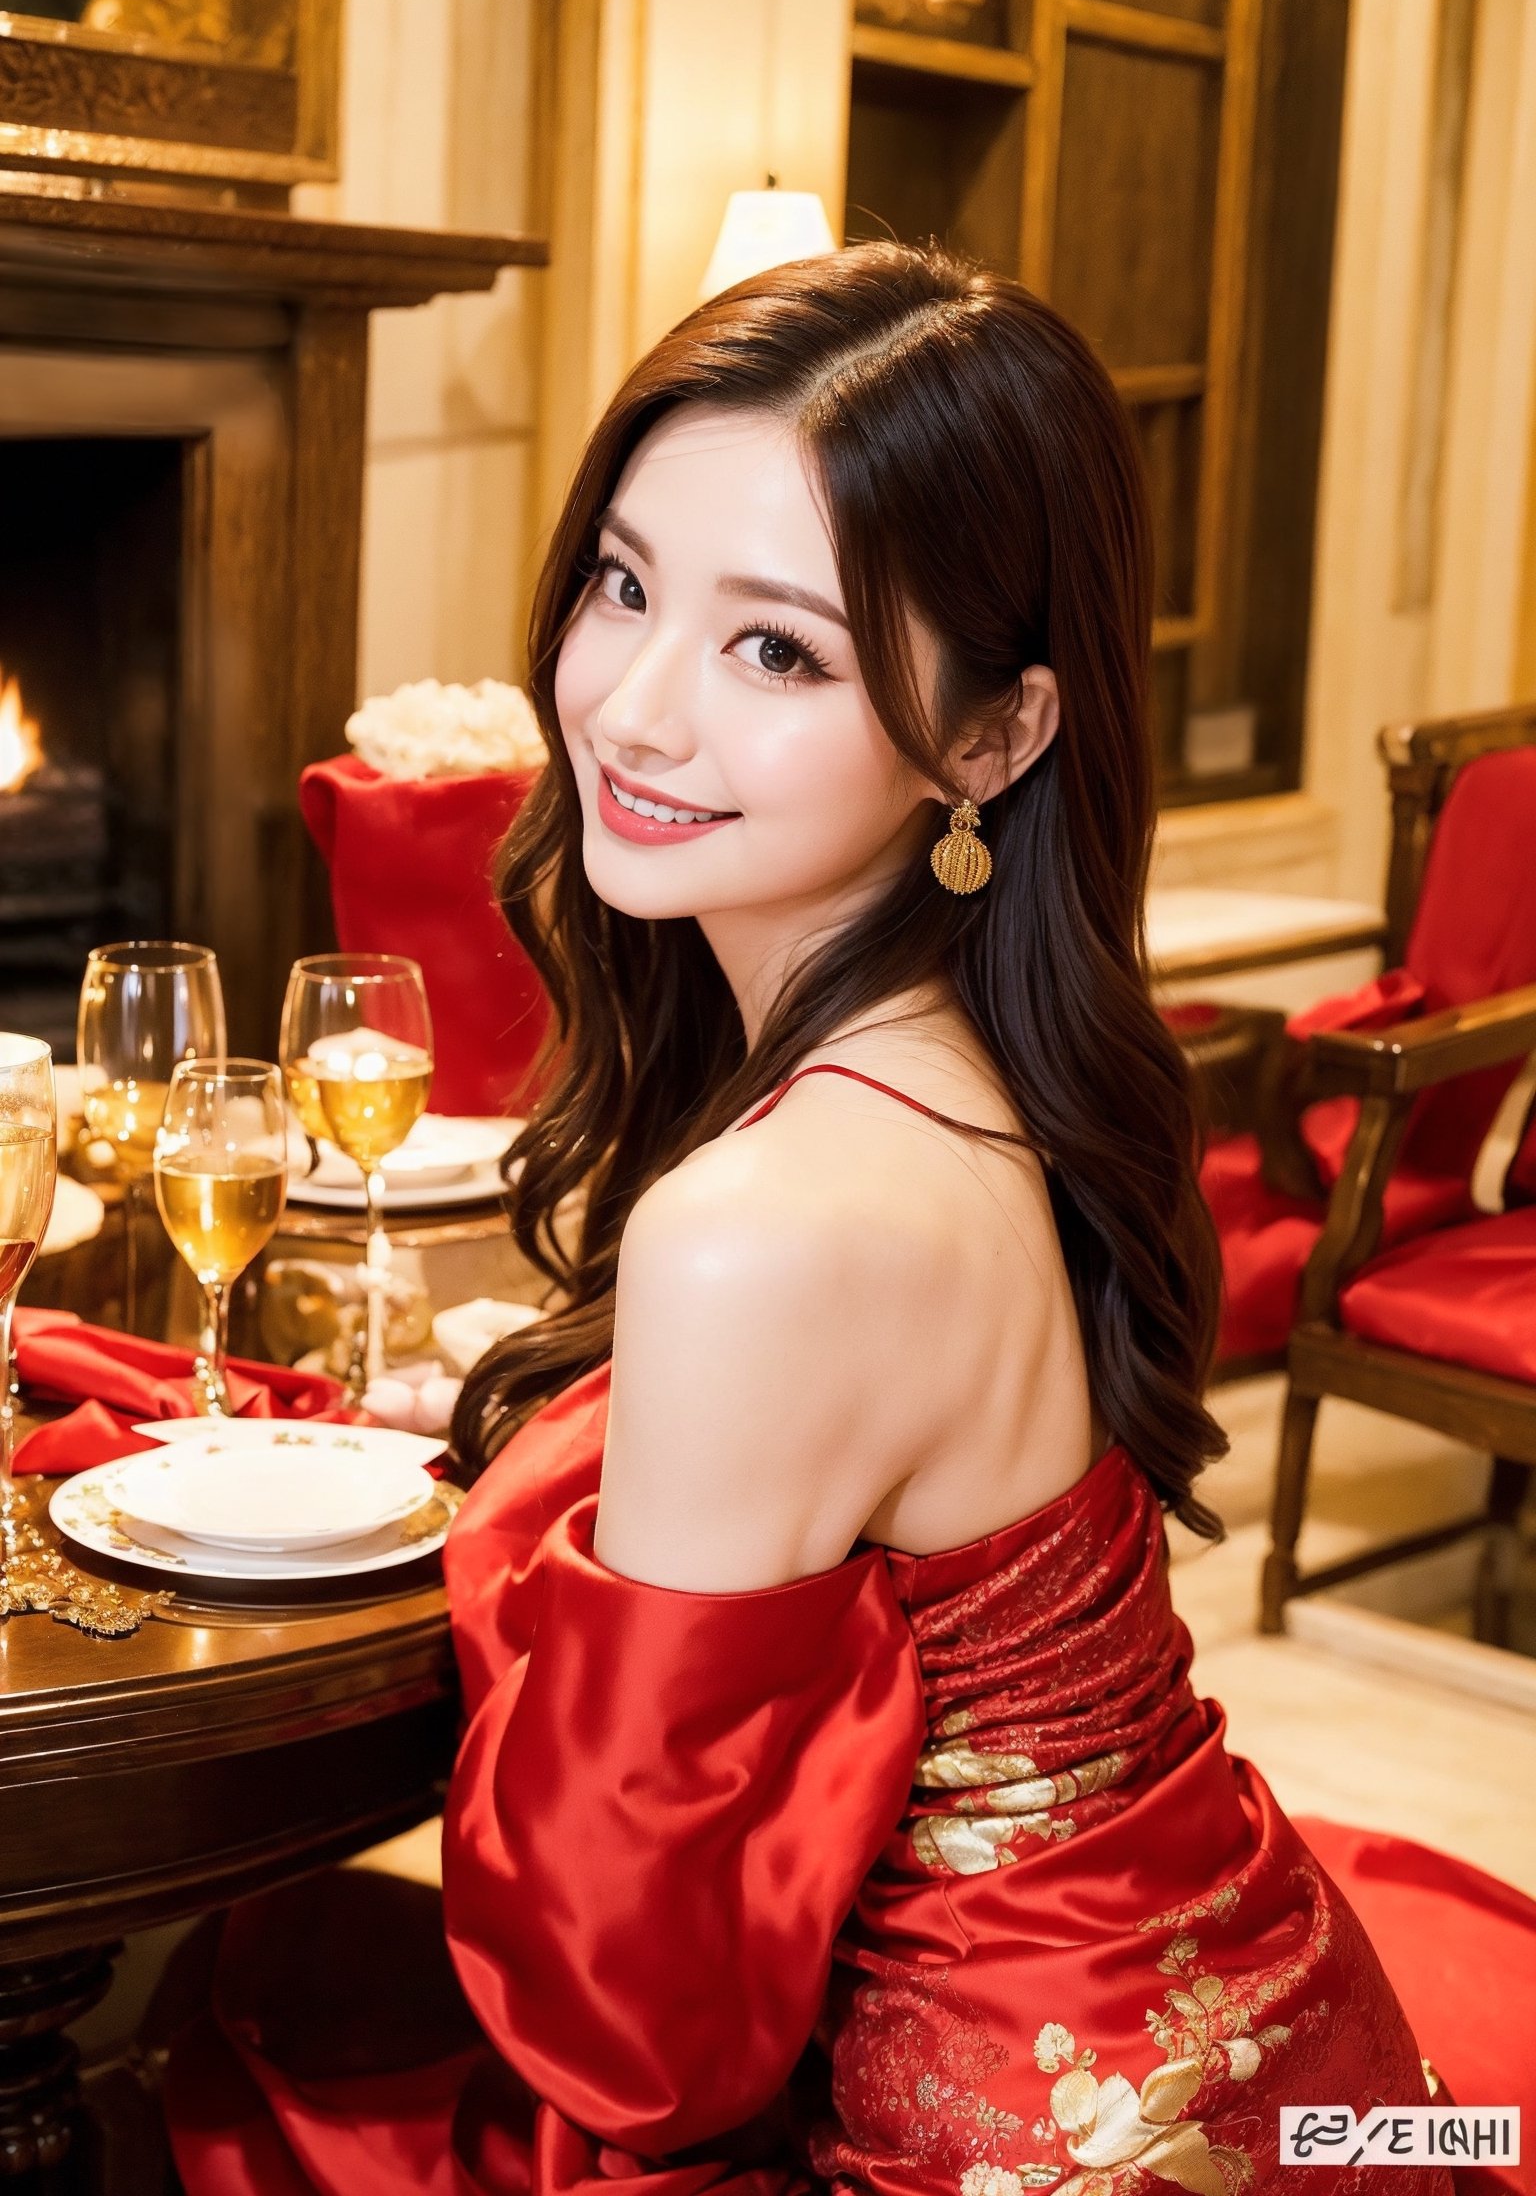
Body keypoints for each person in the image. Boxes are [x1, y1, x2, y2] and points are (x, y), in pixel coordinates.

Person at [168, 245, 1479, 2196]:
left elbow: (631, 2018)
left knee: (244, 2024)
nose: (631, 706)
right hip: (1263, 1993)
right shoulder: (995, 1053)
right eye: (624, 585)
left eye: (778, 649)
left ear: (994, 737)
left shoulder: (763, 1220)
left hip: (1035, 2124)